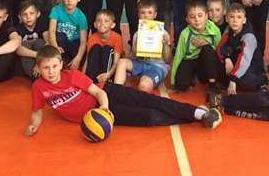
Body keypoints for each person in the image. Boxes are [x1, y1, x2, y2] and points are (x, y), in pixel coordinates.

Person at [24, 45, 221, 134]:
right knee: (149, 117)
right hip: (96, 115)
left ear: (61, 65)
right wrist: (34, 125)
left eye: (54, 66)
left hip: (107, 95)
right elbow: (37, 112)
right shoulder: (39, 87)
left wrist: (104, 108)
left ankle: (198, 113)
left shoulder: (72, 75)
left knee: (150, 100)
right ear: (38, 68)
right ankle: (192, 118)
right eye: (46, 68)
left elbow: (98, 92)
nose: (51, 72)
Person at [114, 0, 172, 92]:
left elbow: (168, 60)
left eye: (150, 12)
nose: (146, 16)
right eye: (143, 13)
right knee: (122, 62)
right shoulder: (137, 34)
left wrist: (165, 45)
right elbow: (133, 56)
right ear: (138, 15)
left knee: (144, 86)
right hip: (141, 63)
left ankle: (147, 78)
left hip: (157, 66)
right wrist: (137, 44)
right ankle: (116, 90)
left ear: (155, 15)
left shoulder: (163, 33)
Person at [171, 1, 222, 97]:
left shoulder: (215, 30)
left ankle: (212, 84)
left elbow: (219, 51)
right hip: (190, 59)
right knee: (180, 86)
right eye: (192, 17)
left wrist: (207, 44)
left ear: (206, 16)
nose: (197, 20)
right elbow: (178, 56)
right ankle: (192, 75)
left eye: (200, 15)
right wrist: (173, 81)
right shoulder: (184, 34)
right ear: (187, 20)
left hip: (206, 61)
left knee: (207, 49)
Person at [216, 3, 269, 94]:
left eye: (239, 17)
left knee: (243, 79)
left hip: (251, 67)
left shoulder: (248, 37)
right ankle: (232, 79)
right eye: (232, 17)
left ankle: (262, 80)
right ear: (227, 19)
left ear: (244, 20)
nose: (235, 20)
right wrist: (226, 59)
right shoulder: (228, 30)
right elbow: (220, 47)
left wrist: (233, 79)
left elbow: (244, 60)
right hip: (236, 62)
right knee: (216, 60)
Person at [48, 0, 89, 70]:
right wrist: (55, 47)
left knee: (80, 58)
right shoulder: (56, 10)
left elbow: (83, 41)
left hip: (74, 42)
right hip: (60, 42)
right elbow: (51, 30)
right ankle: (61, 58)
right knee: (60, 36)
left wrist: (78, 58)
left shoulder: (81, 17)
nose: (70, 0)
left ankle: (68, 58)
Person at [83, 9, 123, 82]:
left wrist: (108, 74)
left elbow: (116, 62)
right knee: (96, 47)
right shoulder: (92, 38)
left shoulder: (117, 37)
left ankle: (104, 80)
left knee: (107, 48)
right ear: (95, 24)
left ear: (112, 25)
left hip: (109, 71)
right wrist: (83, 77)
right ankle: (91, 80)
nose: (102, 23)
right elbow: (88, 60)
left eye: (106, 21)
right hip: (97, 67)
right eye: (99, 20)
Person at [14, 0, 49, 80]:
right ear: (20, 17)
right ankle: (34, 76)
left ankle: (44, 71)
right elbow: (17, 49)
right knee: (23, 44)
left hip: (41, 60)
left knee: (40, 42)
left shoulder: (41, 24)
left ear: (38, 14)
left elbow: (49, 42)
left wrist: (39, 62)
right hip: (25, 63)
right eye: (24, 14)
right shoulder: (18, 28)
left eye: (31, 13)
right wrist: (39, 55)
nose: (28, 17)